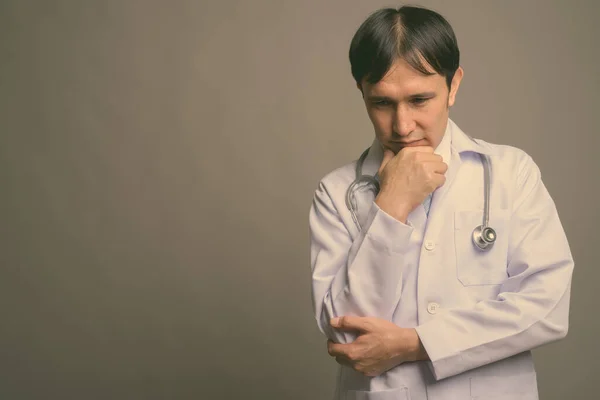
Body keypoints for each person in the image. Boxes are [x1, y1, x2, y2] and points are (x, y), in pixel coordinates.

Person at [308, 5, 574, 400]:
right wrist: (391, 205)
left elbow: (547, 307)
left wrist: (415, 344)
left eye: (419, 100)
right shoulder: (335, 193)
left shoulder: (510, 173)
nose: (401, 126)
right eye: (381, 103)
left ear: (453, 86)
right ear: (361, 92)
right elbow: (347, 334)